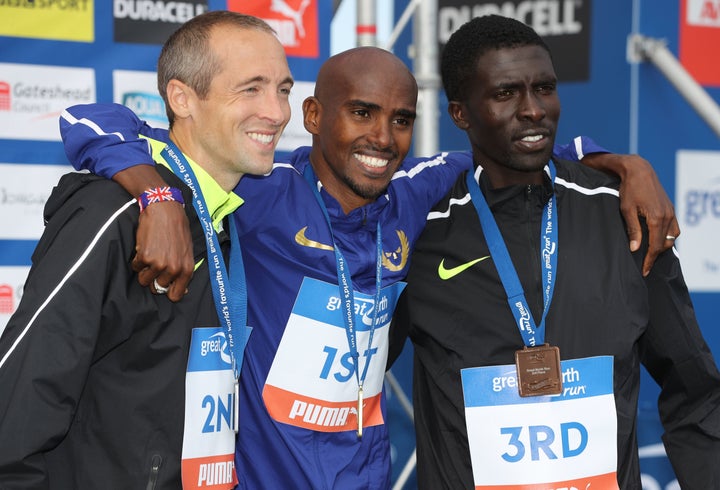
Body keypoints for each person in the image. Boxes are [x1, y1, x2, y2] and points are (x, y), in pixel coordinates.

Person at [58, 49, 678, 489]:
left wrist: (621, 162)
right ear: (313, 117)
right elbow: (88, 119)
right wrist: (155, 194)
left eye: (401, 119)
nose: (383, 137)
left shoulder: (415, 189)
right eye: (361, 113)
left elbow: (506, 146)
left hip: (366, 473)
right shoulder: (260, 188)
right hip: (261, 473)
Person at [392, 14, 720, 490]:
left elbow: (696, 391)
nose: (533, 110)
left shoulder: (622, 214)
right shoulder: (421, 233)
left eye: (544, 88)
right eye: (505, 93)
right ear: (461, 113)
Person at [0, 11, 293, 489]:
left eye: (283, 89)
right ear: (182, 98)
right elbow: (18, 411)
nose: (278, 112)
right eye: (251, 89)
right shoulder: (116, 214)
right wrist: (156, 197)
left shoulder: (235, 211)